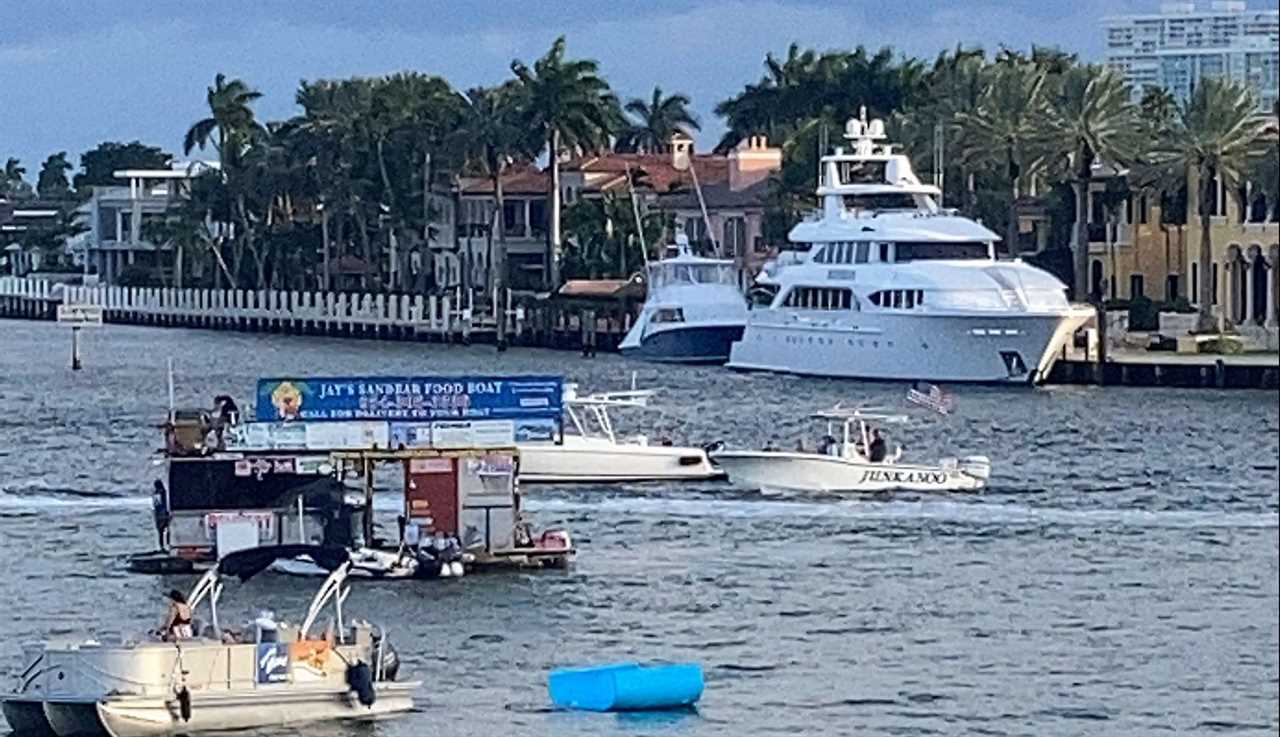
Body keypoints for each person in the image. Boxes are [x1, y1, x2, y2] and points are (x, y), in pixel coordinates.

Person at [151, 480, 170, 551]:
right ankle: (168, 544)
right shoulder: (163, 492)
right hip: (163, 513)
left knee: (161, 532)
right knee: (168, 529)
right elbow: (164, 503)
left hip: (158, 514)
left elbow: (155, 505)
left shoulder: (155, 494)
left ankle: (162, 546)